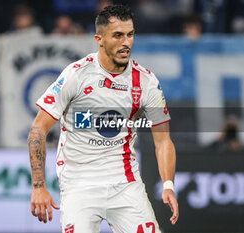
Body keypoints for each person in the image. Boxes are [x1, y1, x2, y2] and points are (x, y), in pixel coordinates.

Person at [28, 5, 178, 233]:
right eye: (118, 35)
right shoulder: (76, 75)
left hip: (125, 183)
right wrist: (39, 187)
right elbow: (38, 129)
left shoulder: (146, 81)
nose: (126, 42)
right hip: (79, 184)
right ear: (99, 38)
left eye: (130, 35)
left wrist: (168, 185)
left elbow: (163, 140)